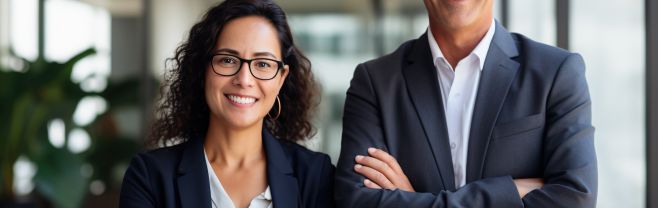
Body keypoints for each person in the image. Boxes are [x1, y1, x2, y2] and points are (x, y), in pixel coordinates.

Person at [335, 0, 597, 207]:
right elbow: (355, 201)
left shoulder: (555, 73)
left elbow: (575, 199)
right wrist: (508, 193)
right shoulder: (375, 82)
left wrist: (411, 198)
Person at [119, 0, 334, 207]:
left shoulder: (316, 175)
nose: (244, 79)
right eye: (228, 60)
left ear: (281, 78)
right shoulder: (150, 176)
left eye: (263, 64)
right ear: (203, 70)